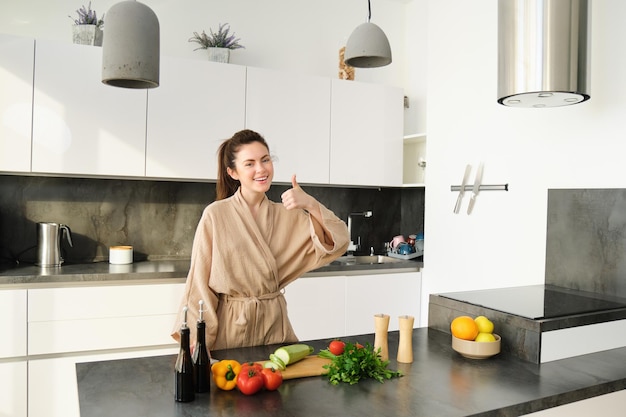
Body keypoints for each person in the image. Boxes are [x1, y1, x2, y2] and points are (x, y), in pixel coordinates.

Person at [171, 129, 350, 350]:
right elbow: (199, 281)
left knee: (280, 384)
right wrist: (198, 343)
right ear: (233, 172)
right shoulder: (216, 215)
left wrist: (310, 204)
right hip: (231, 331)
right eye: (250, 163)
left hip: (275, 328)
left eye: (265, 160)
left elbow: (340, 241)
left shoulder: (288, 214)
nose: (261, 169)